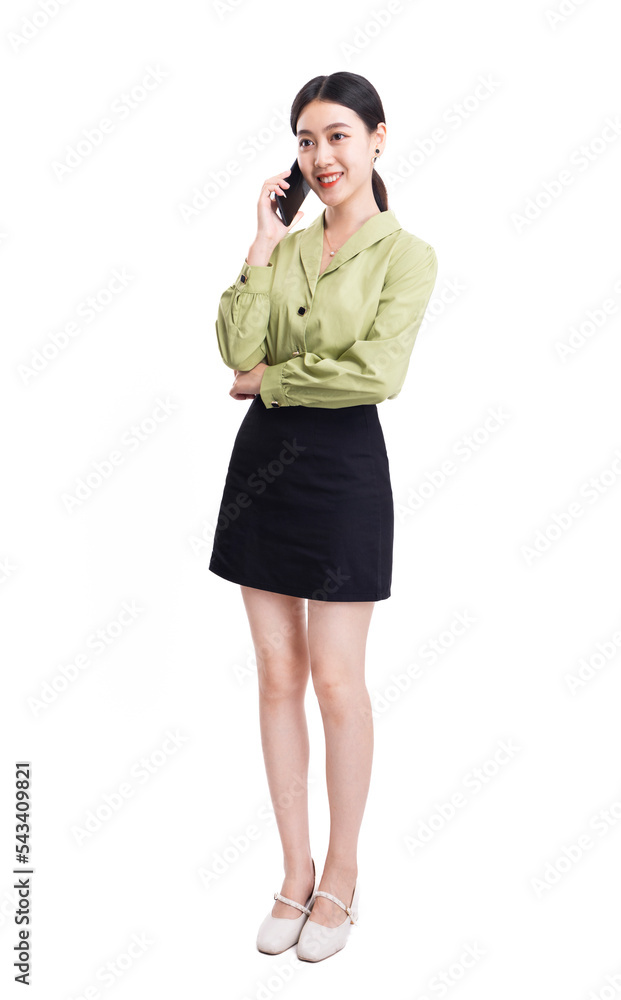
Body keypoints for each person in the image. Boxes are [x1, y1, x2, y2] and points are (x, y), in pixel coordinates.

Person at [209, 71, 438, 963]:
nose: (321, 157)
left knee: (337, 680)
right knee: (275, 675)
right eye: (306, 141)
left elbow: (377, 374)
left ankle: (342, 872)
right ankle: (293, 869)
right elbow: (235, 346)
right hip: (263, 473)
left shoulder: (407, 255)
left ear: (378, 138)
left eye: (337, 136)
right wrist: (263, 242)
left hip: (344, 475)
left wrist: (276, 380)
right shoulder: (291, 247)